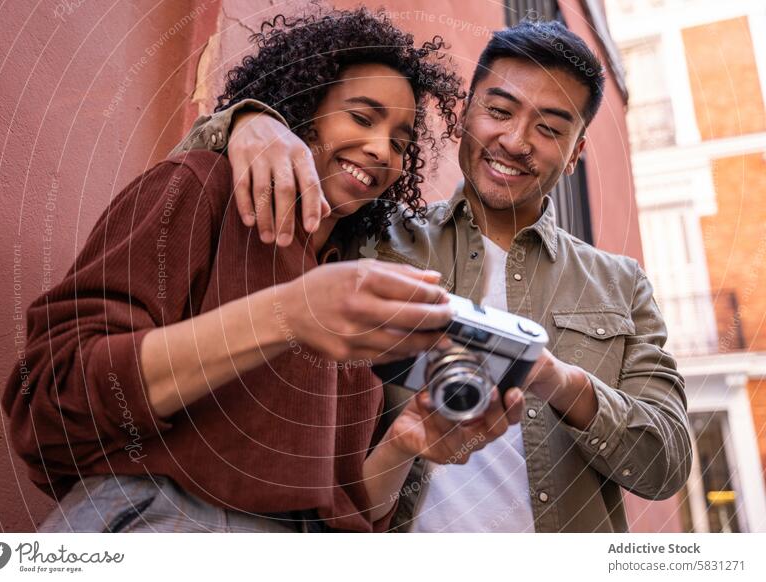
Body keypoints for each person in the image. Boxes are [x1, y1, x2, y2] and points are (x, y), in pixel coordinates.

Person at [3, 7, 525, 533]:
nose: (380, 150)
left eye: (399, 142)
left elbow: (347, 512)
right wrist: (286, 316)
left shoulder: (350, 270)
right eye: (362, 118)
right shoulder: (203, 186)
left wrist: (405, 444)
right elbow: (52, 393)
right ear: (305, 108)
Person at [180, 20, 693, 532]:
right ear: (465, 113)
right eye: (498, 111)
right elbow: (245, 192)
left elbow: (665, 465)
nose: (515, 141)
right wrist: (249, 121)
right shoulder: (372, 235)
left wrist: (558, 381)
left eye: (551, 129)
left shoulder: (621, 284)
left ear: (577, 151)